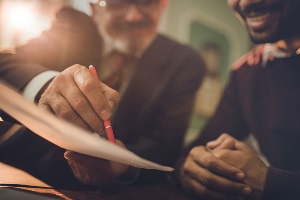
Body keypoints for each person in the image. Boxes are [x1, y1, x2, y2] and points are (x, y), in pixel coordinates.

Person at [0, 0, 205, 187]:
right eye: (118, 4)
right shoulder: (72, 25)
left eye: (146, 2)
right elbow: (4, 65)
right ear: (94, 7)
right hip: (21, 168)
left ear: (162, 5)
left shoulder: (184, 63)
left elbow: (165, 146)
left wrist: (125, 166)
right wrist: (47, 85)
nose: (133, 16)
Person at [175, 0, 300, 199]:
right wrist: (191, 168)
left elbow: (268, 183)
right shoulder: (246, 72)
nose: (245, 3)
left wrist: (270, 182)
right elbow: (195, 151)